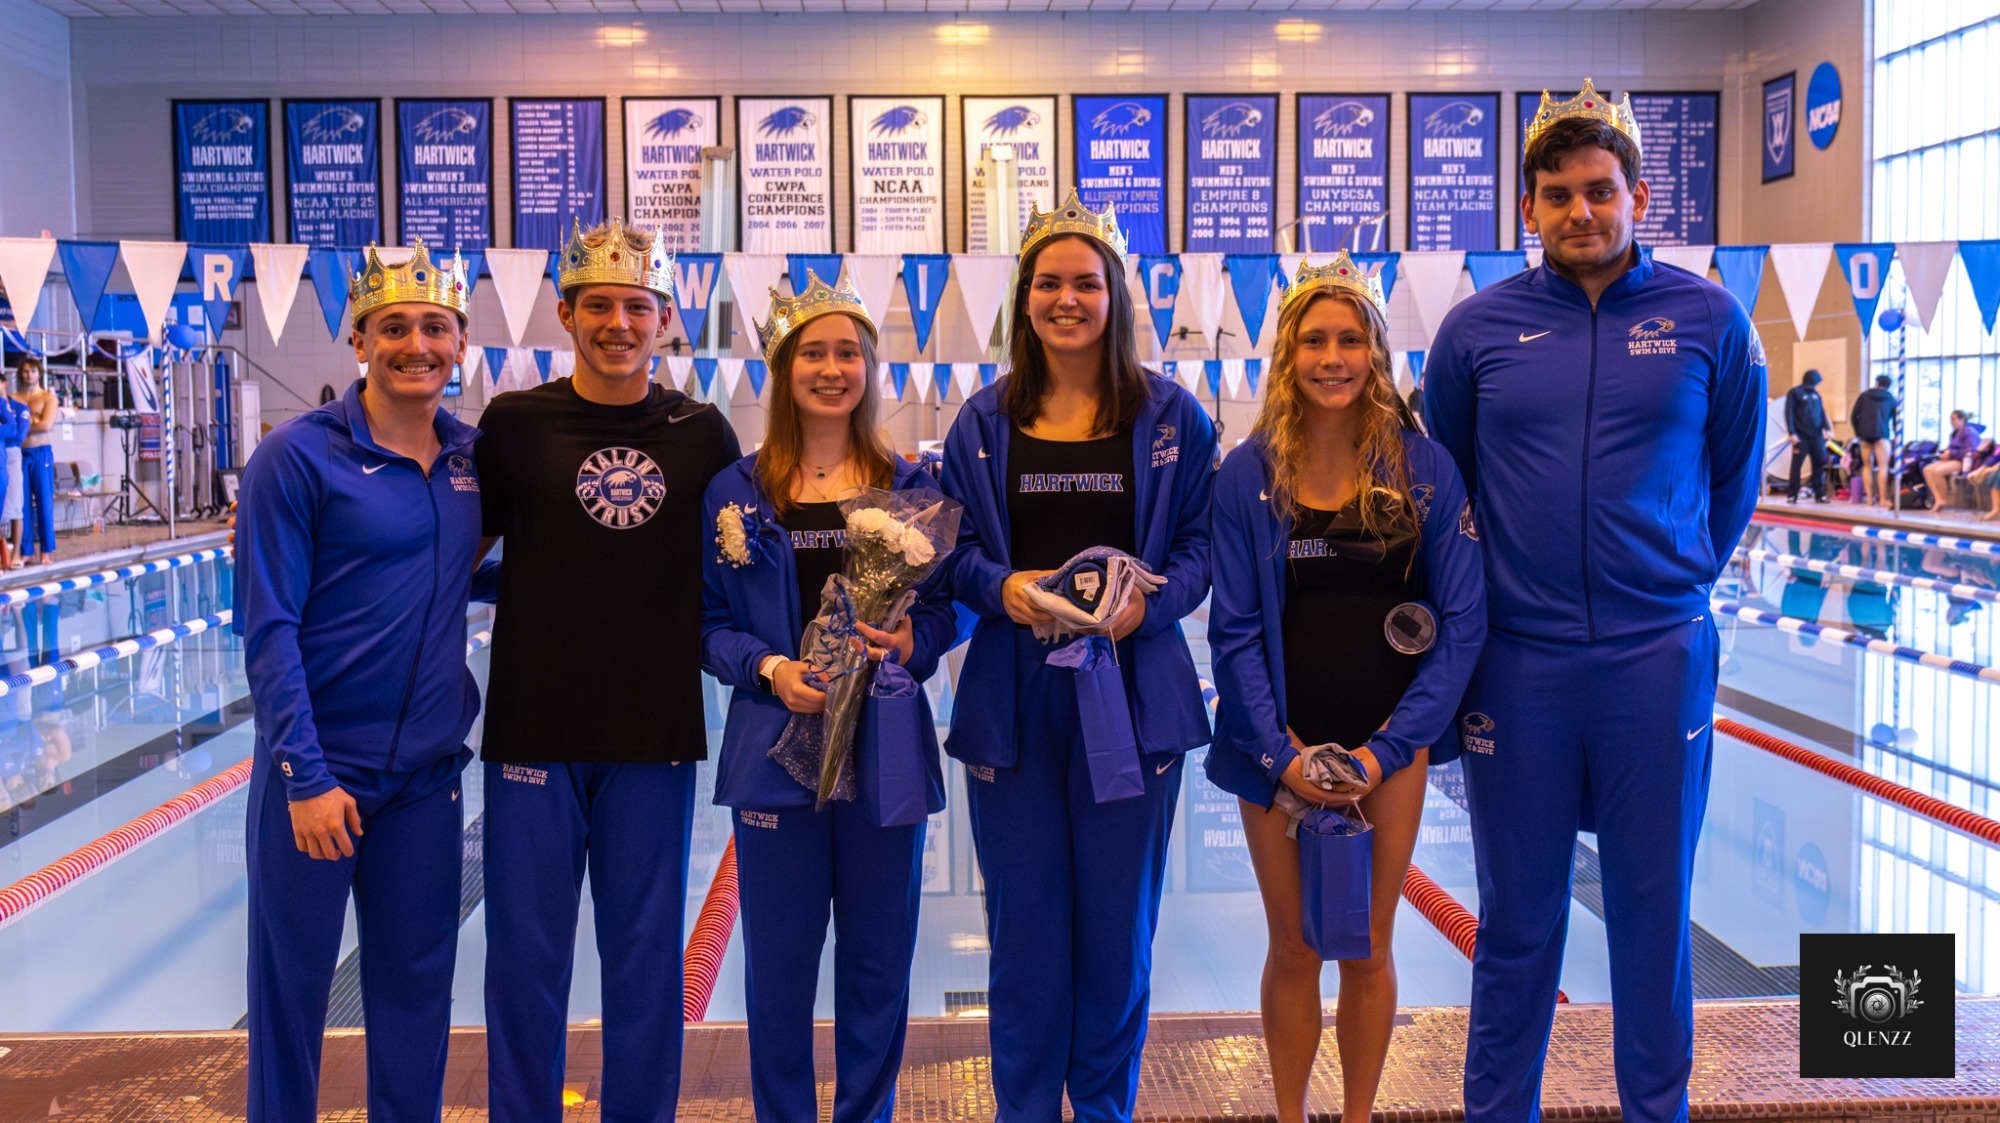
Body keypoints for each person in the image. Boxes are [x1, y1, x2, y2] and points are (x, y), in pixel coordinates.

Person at [1423, 79, 1765, 1123]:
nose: (1581, 212)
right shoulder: (1475, 330)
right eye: (1557, 193)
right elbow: (1444, 483)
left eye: (1599, 191)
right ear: (1526, 207)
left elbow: (1732, 475)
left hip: (1652, 654)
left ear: (1639, 195)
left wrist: (1669, 577)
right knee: (1516, 920)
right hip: (1515, 664)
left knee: (1649, 915)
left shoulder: (1707, 315)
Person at [941, 188, 1216, 1122]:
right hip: (1015, 701)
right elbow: (954, 551)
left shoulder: (1173, 416)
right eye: (1049, 283)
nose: (1067, 299)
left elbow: (1201, 549)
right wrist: (1002, 589)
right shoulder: (981, 424)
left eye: (1086, 284)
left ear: (1115, 296)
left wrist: (1151, 608)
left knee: (1116, 933)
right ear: (1025, 299)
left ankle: (1103, 1110)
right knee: (1023, 935)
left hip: (1133, 699)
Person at [1207, 252, 1485, 1123]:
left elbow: (1463, 619)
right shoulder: (1248, 474)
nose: (1334, 357)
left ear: (1375, 352)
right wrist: (1278, 754)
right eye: (1315, 340)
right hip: (1271, 745)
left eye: (1351, 339)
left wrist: (1388, 749)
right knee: (1293, 948)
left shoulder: (1425, 468)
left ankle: (1357, 1117)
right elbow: (1236, 630)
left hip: (1386, 746)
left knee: (1366, 947)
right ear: (1288, 355)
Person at [475, 217, 741, 1123]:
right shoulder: (513, 424)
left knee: (644, 967)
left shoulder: (703, 433)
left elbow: (749, 561)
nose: (618, 322)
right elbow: (443, 545)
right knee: (524, 966)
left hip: (651, 734)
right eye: (599, 306)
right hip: (531, 733)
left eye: (637, 306)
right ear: (564, 314)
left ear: (665, 318)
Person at [233, 240, 483, 1122]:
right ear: (360, 341)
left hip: (423, 783)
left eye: (436, 328)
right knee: (291, 1001)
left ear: (460, 343)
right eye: (394, 328)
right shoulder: (297, 460)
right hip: (317, 775)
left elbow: (460, 569)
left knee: (417, 1000)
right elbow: (267, 629)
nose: (417, 344)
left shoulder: (469, 461)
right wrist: (305, 775)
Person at [700, 270, 957, 1123]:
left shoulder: (911, 481)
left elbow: (951, 607)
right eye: (813, 351)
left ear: (869, 366)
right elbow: (705, 624)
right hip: (778, 751)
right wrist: (770, 669)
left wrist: (917, 644)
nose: (832, 367)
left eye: (848, 350)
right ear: (784, 368)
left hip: (883, 746)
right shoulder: (736, 491)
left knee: (879, 962)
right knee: (778, 963)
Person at [17, 356, 57, 566]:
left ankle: (46, 551)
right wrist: (33, 421)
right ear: (20, 374)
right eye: (25, 371)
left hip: (41, 453)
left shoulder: (48, 398)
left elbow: (46, 425)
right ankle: (26, 551)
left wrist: (23, 423)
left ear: (39, 373)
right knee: (21, 505)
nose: (29, 375)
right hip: (20, 455)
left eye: (33, 371)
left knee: (44, 502)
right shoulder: (14, 397)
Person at [1784, 369, 1833, 503]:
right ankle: (1792, 494)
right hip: (1801, 435)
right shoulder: (1795, 393)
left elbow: (1821, 413)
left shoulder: (1816, 395)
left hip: (1816, 435)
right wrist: (1791, 432)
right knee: (1796, 465)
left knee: (1819, 463)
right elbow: (1789, 413)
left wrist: (1827, 428)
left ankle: (1820, 493)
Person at [1849, 375, 1899, 507]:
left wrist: (1858, 432)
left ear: (1877, 383)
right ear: (1889, 386)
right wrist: (1896, 436)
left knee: (1867, 466)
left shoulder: (1864, 396)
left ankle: (1870, 499)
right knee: (1883, 467)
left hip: (1864, 435)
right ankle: (1882, 499)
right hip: (1882, 434)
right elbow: (1896, 421)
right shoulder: (1891, 399)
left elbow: (1854, 416)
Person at [1921, 409, 1981, 511]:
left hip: (1964, 461)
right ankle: (1938, 498)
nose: (1952, 422)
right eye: (1951, 420)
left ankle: (1943, 499)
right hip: (1954, 458)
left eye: (1954, 419)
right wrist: (1946, 453)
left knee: (1936, 472)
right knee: (1927, 469)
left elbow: (1970, 451)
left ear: (1962, 420)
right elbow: (1953, 448)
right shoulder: (1955, 433)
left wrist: (1951, 453)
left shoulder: (1970, 432)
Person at [0, 372, 25, 569]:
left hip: (7, 459)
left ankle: (12, 554)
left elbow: (14, 431)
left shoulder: (8, 406)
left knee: (13, 506)